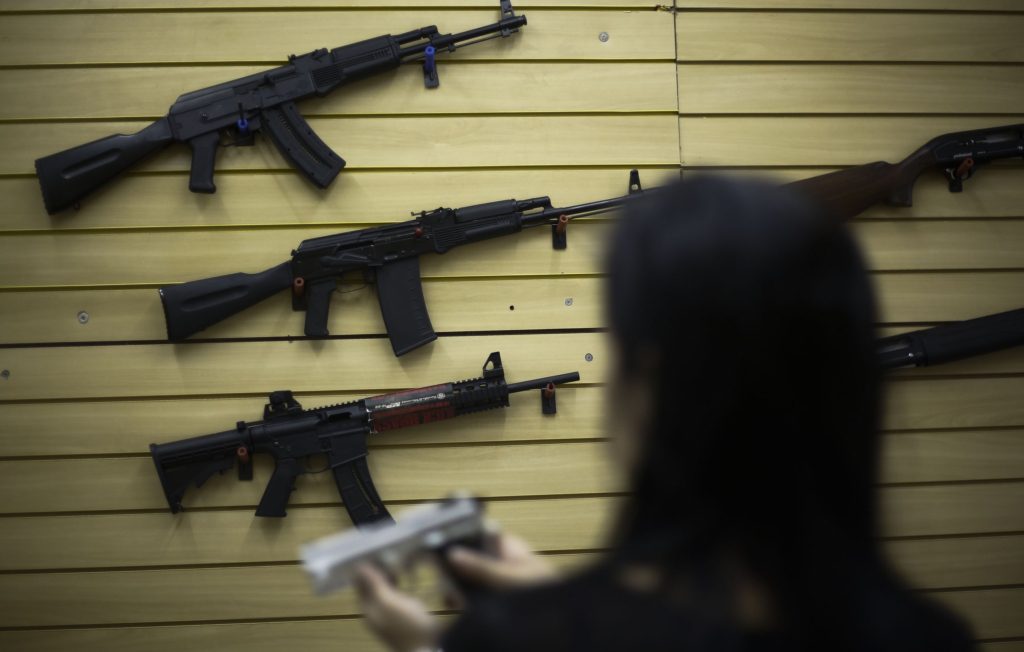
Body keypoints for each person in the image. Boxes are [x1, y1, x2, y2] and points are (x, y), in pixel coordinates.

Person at [354, 177, 976, 652]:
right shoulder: (926, 635)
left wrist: (428, 643)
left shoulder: (523, 634)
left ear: (652, 387)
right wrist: (559, 604)